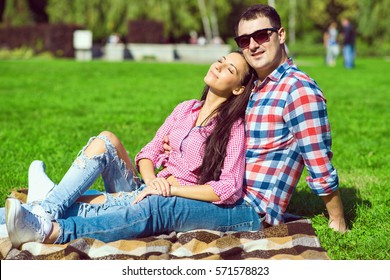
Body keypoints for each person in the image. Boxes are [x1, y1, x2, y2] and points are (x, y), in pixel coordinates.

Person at [5, 51, 259, 248]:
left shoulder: (232, 128)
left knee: (88, 205)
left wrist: (168, 189)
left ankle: (40, 209)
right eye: (220, 61)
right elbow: (148, 152)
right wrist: (151, 181)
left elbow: (229, 188)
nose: (218, 66)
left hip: (171, 198)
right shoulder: (185, 109)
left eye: (229, 69)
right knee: (105, 140)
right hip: (147, 188)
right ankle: (44, 207)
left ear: (238, 88)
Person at [165, 4, 347, 232]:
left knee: (158, 207)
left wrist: (337, 219)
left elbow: (318, 161)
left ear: (281, 35)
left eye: (261, 35)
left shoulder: (298, 90)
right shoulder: (250, 88)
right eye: (243, 40)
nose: (252, 45)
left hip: (248, 207)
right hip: (213, 190)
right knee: (141, 198)